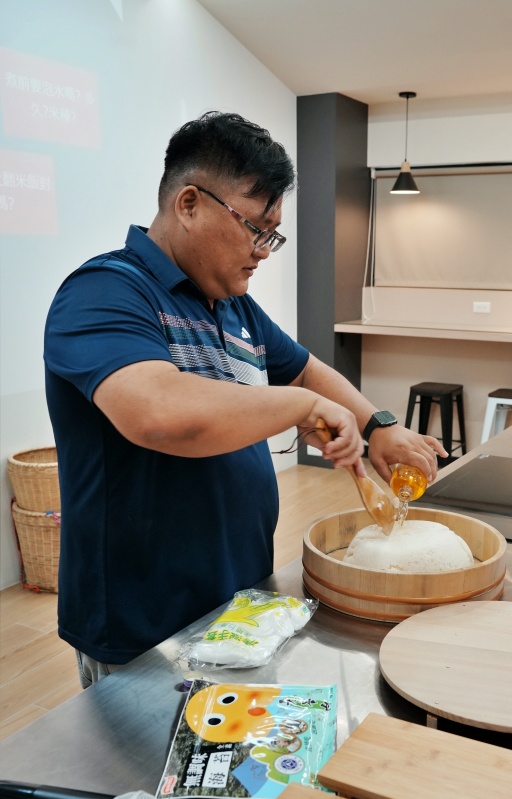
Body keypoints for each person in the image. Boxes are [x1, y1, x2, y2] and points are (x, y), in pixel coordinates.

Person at [44, 111, 446, 687]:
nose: (264, 250)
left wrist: (379, 426)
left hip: (240, 601)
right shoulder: (104, 292)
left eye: (272, 234)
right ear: (189, 204)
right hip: (144, 623)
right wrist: (300, 409)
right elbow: (159, 412)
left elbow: (306, 370)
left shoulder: (232, 303)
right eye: (255, 227)